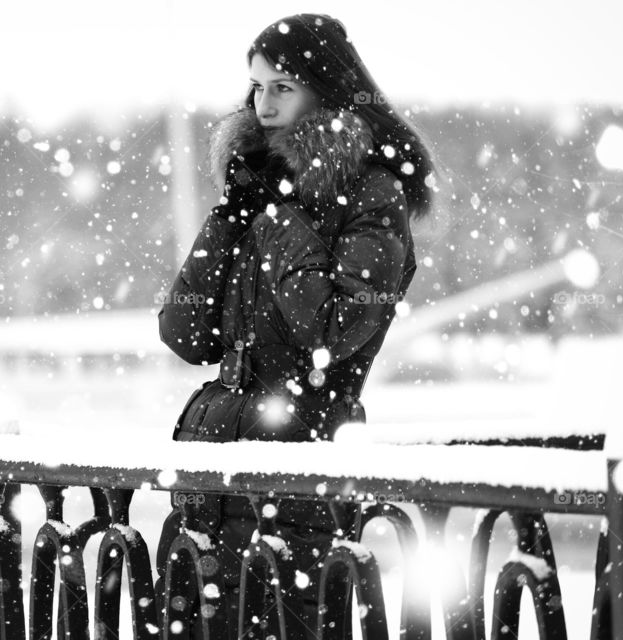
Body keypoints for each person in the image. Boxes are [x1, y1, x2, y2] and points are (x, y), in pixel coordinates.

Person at [154, 13, 435, 639]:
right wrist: (232, 216)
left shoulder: (371, 194)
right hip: (208, 468)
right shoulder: (256, 187)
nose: (263, 103)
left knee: (288, 624)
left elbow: (332, 333)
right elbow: (185, 333)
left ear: (325, 89)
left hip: (300, 467)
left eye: (282, 86)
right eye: (256, 87)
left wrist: (280, 216)